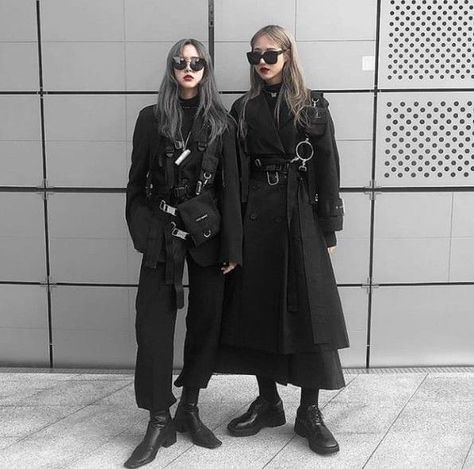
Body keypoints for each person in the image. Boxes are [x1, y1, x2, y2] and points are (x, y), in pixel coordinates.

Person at [216, 25, 349, 455]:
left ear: (288, 55)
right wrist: (231, 235)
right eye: (255, 55)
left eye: (271, 54)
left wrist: (328, 226)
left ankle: (308, 411)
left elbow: (327, 166)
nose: (263, 62)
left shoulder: (312, 106)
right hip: (256, 216)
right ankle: (269, 400)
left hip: (299, 215)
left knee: (311, 312)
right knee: (257, 307)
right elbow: (231, 176)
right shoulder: (242, 108)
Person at [124, 38, 242, 468]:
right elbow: (135, 185)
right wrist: (144, 232)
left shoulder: (222, 124)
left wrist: (233, 246)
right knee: (152, 323)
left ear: (206, 70)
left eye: (196, 63)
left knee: (206, 320)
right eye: (181, 62)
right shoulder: (151, 119)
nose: (188, 68)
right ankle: (159, 418)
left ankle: (189, 408)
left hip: (207, 233)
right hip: (160, 231)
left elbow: (232, 192)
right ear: (171, 69)